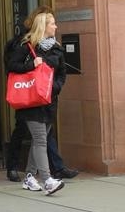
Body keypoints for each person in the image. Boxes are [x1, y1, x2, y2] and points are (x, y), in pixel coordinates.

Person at [5, 10, 79, 182]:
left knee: (40, 139)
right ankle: (46, 179)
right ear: (44, 27)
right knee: (40, 140)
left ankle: (30, 176)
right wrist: (31, 65)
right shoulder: (27, 46)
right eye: (52, 23)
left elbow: (62, 73)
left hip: (49, 101)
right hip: (31, 100)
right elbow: (12, 66)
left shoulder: (57, 48)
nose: (56, 26)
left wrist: (55, 87)